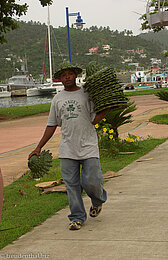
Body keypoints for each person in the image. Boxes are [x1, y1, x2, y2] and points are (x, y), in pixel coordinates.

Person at [28, 63, 107, 231]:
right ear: (60, 79)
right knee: (71, 185)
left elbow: (94, 118)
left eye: (70, 74)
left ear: (75, 76)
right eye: (64, 75)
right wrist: (38, 147)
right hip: (67, 149)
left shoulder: (87, 94)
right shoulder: (57, 99)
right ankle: (77, 217)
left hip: (88, 146)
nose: (67, 77)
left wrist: (106, 110)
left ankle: (98, 200)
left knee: (92, 181)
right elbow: (51, 125)